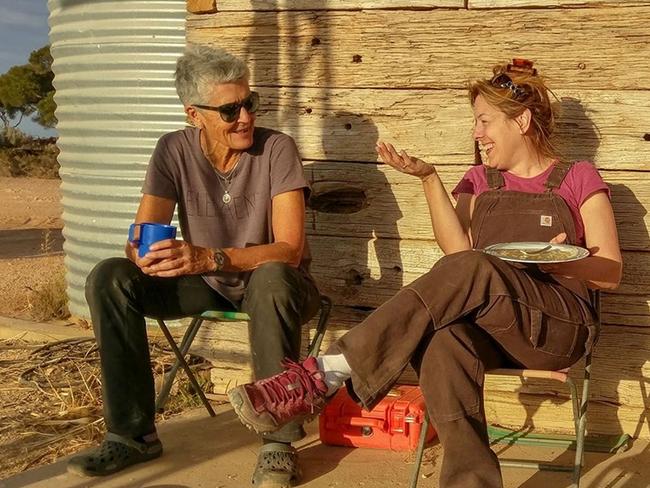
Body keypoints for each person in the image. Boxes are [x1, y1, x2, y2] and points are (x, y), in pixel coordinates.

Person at [227, 59, 623, 488]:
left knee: (474, 267)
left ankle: (327, 370)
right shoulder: (479, 180)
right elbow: (458, 256)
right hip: (494, 327)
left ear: (522, 121)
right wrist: (430, 179)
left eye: (485, 121)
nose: (477, 133)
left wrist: (558, 259)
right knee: (444, 341)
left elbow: (610, 274)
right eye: (476, 122)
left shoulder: (576, 177)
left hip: (556, 327)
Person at [67, 44, 321, 487]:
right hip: (209, 284)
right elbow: (145, 229)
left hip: (281, 287)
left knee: (273, 275)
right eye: (229, 110)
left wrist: (210, 256)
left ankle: (278, 442)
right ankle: (132, 436)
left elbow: (290, 249)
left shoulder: (277, 149)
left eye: (249, 103)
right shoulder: (172, 150)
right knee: (110, 277)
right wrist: (142, 253)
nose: (244, 117)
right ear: (194, 115)